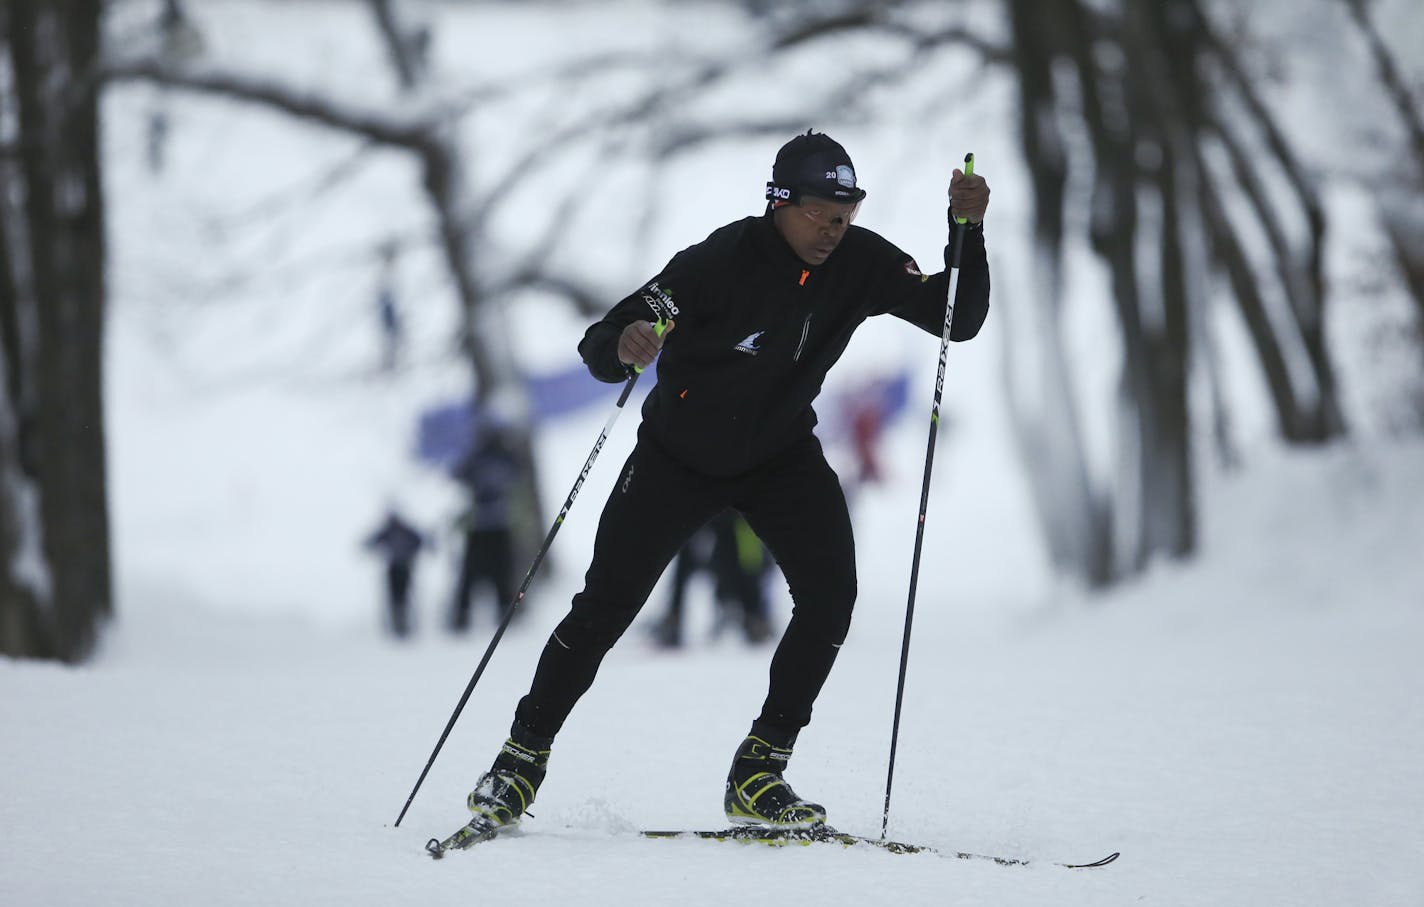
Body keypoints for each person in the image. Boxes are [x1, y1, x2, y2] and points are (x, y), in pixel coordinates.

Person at [460, 130, 990, 836]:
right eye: (818, 212)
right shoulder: (719, 262)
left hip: (779, 454)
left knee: (831, 596)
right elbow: (608, 334)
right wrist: (625, 346)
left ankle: (758, 769)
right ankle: (520, 758)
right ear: (778, 201)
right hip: (677, 456)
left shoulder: (861, 262)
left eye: (845, 212)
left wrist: (967, 232)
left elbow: (958, 317)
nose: (833, 228)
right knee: (607, 605)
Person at [649, 509, 773, 649]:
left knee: (741, 554)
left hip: (730, 510)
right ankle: (673, 619)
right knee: (689, 548)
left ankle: (753, 616)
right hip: (711, 505)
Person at [448, 413, 519, 632]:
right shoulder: (478, 458)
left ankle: (505, 609)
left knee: (501, 570)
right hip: (480, 524)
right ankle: (463, 614)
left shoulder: (504, 456)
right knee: (472, 571)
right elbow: (457, 473)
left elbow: (517, 473)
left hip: (497, 522)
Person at [363, 508, 427, 638]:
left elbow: (420, 541)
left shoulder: (398, 530)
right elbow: (370, 543)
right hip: (396, 568)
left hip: (403, 567)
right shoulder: (393, 530)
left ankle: (403, 625)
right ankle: (398, 625)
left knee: (401, 597)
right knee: (397, 598)